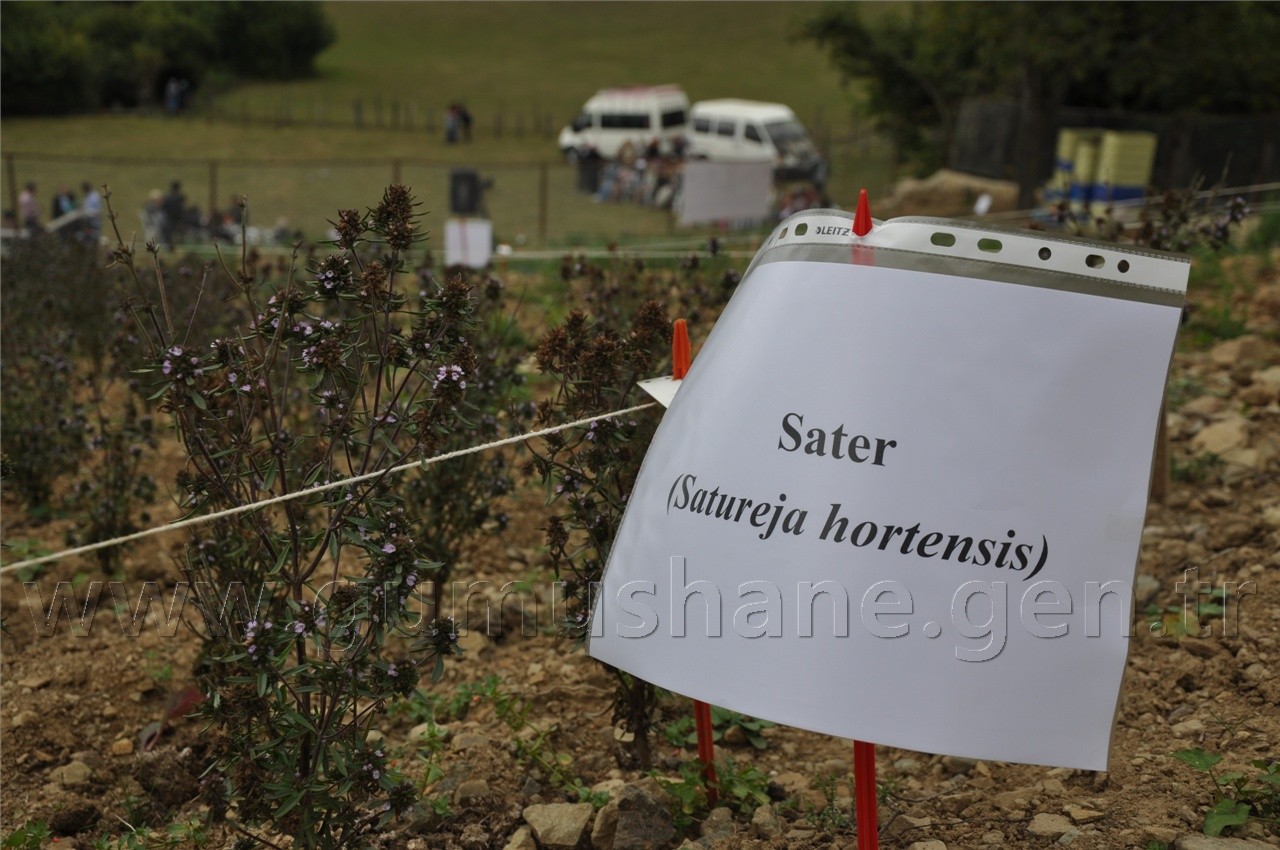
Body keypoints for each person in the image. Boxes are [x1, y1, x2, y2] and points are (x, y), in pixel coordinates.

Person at [160, 180, 186, 248]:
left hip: (168, 218)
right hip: (178, 219)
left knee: (168, 235)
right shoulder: (180, 197)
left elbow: (163, 208)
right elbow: (182, 209)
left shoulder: (167, 197)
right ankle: (178, 246)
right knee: (179, 235)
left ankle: (169, 246)